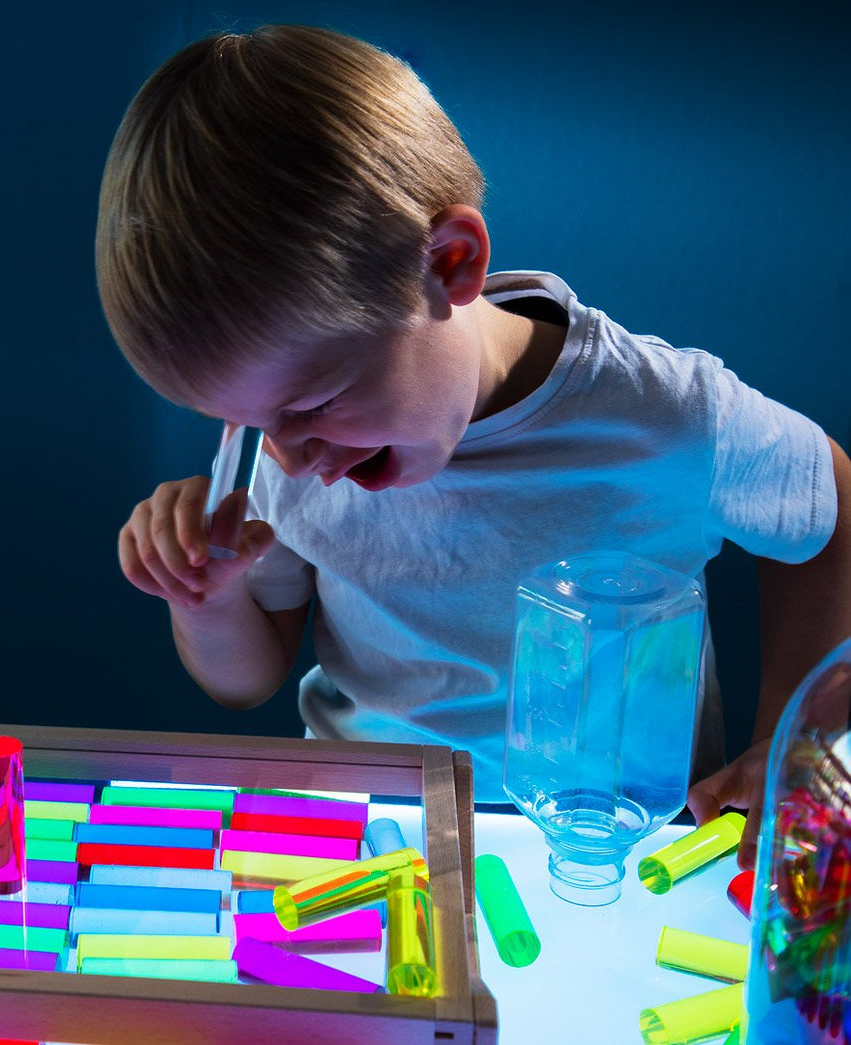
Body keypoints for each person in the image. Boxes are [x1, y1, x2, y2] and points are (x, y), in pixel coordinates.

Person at [95, 24, 850, 868]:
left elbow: (829, 504)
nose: (291, 459)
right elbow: (248, 677)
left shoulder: (662, 415)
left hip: (618, 859)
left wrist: (796, 747)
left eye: (313, 405)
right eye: (245, 422)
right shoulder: (286, 438)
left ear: (450, 263)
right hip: (366, 848)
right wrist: (205, 595)